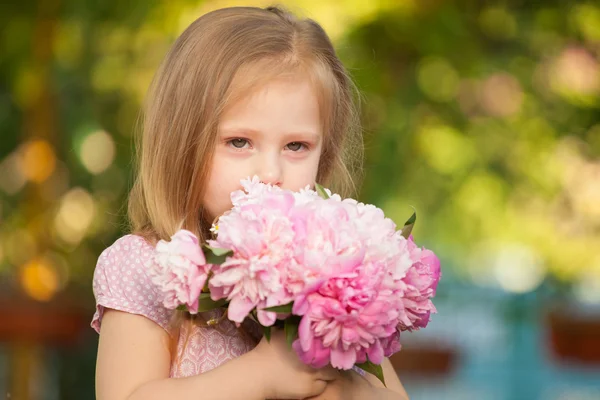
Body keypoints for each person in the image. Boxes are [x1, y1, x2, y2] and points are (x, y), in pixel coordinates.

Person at [92, 5, 409, 400]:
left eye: (297, 145)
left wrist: (342, 382)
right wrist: (259, 377)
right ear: (181, 144)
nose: (271, 172)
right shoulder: (146, 265)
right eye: (239, 142)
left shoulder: (333, 276)